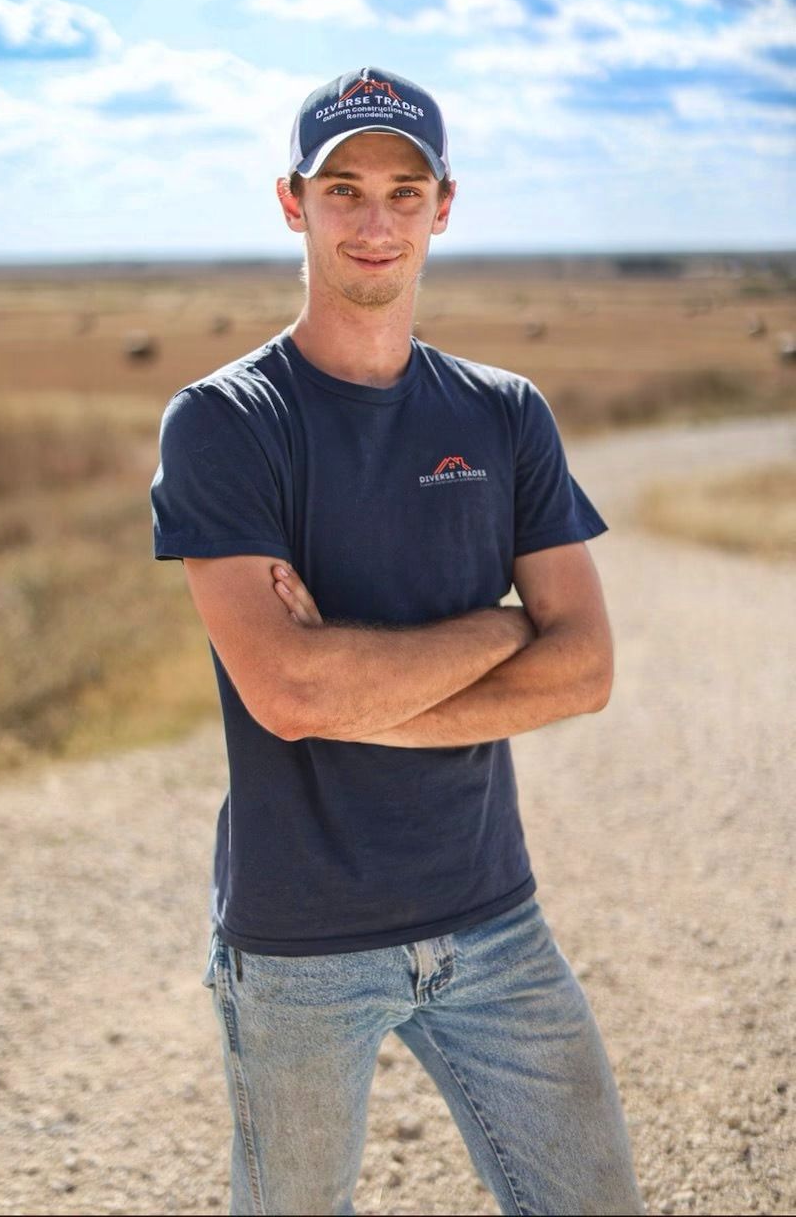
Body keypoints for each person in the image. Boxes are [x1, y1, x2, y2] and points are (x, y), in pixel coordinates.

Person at [150, 66, 644, 1217]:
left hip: (495, 922)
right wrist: (496, 624)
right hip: (299, 947)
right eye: (344, 190)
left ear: (444, 206)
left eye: (404, 192)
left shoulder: (505, 411)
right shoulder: (224, 422)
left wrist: (357, 690)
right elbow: (288, 690)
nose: (376, 222)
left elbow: (587, 667)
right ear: (293, 203)